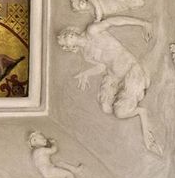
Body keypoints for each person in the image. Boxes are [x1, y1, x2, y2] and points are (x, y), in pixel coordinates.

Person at [57, 16, 159, 154]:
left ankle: (143, 117)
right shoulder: (86, 55)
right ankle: (130, 97)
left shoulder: (92, 30)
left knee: (120, 112)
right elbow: (101, 67)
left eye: (65, 34)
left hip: (130, 70)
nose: (67, 36)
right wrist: (86, 73)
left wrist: (143, 23)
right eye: (65, 39)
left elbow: (115, 21)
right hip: (114, 77)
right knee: (106, 108)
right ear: (69, 47)